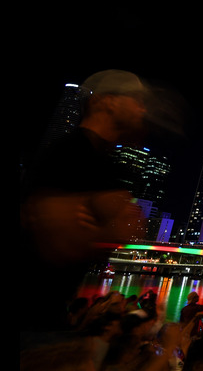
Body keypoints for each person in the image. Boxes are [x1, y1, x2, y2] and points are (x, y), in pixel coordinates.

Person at [20, 70, 153, 341]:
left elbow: (128, 227)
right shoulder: (70, 152)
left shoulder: (105, 162)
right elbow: (54, 235)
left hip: (50, 316)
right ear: (107, 101)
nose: (142, 109)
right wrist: (101, 222)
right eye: (136, 100)